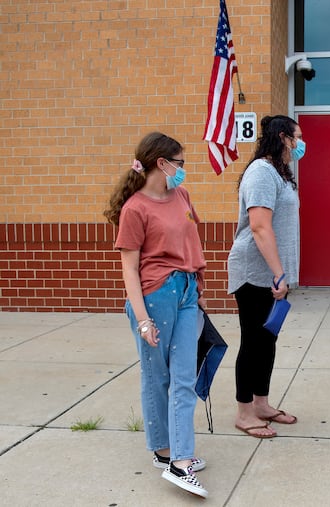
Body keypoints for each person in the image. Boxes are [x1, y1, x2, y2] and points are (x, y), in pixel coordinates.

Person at [104, 132, 208, 497]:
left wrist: (198, 285)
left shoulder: (181, 195)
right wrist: (143, 319)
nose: (184, 170)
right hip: (155, 296)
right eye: (180, 163)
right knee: (156, 377)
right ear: (161, 164)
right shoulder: (135, 208)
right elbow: (129, 269)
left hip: (186, 292)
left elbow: (192, 240)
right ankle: (163, 452)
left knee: (183, 378)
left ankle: (180, 459)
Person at [228, 115, 304, 438]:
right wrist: (278, 274)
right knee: (253, 342)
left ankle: (261, 404)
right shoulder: (261, 172)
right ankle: (245, 412)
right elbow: (259, 226)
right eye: (297, 137)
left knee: (267, 341)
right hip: (255, 273)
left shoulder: (279, 172)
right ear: (283, 137)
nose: (301, 144)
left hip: (273, 276)